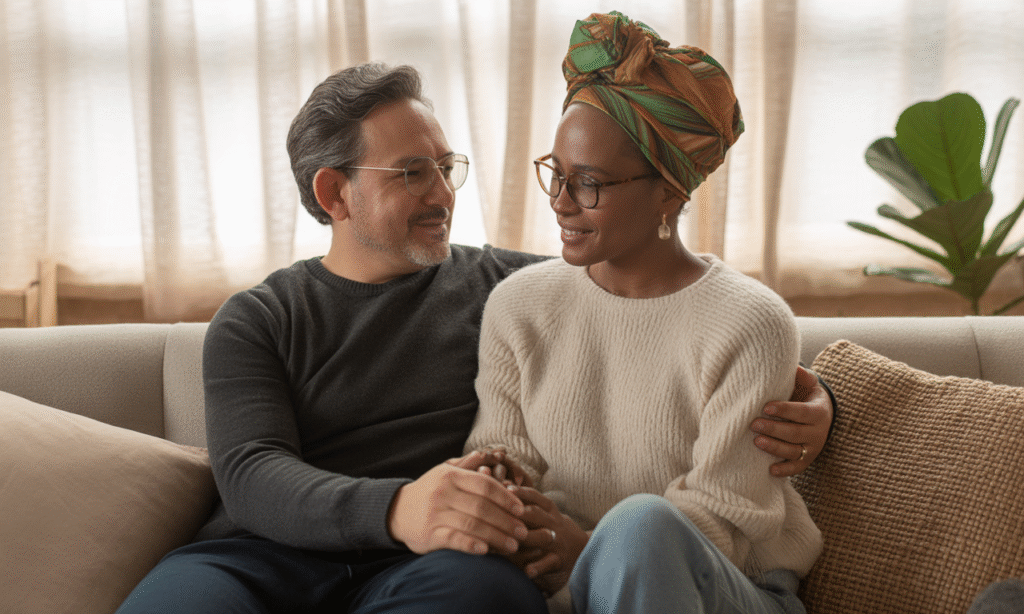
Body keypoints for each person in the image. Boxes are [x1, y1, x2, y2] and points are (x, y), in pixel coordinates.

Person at [115, 60, 831, 613]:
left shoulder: (510, 290)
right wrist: (399, 508)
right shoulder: (259, 318)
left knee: (484, 594)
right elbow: (250, 476)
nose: (443, 193)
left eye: (446, 167)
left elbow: (642, 301)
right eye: (411, 173)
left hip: (441, 565)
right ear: (335, 194)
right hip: (265, 557)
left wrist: (819, 399)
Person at [466, 11, 822, 614]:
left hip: (726, 589)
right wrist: (500, 484)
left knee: (643, 527)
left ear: (669, 192)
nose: (559, 202)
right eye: (555, 173)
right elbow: (508, 452)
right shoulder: (519, 305)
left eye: (589, 183)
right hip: (569, 584)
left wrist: (586, 547)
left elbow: (726, 519)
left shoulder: (749, 321)